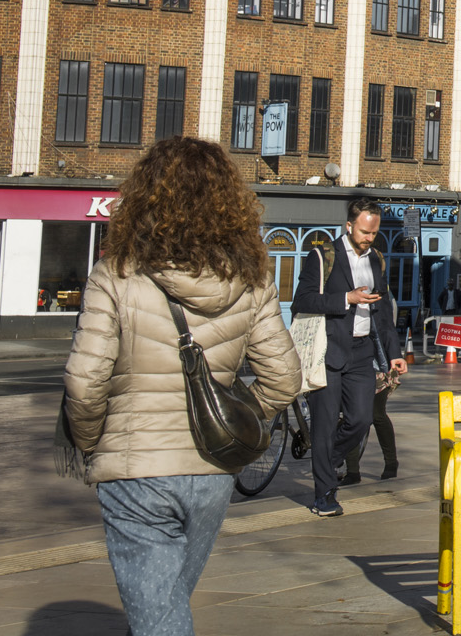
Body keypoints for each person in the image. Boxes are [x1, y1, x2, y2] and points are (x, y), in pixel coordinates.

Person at [63, 136, 303, 636]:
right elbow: (284, 380)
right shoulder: (253, 281)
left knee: (159, 619)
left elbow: (86, 384)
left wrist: (90, 446)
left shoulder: (116, 275)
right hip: (213, 467)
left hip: (135, 467)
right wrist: (233, 416)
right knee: (165, 608)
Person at [292, 196, 407, 516]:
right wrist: (346, 298)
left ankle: (325, 462)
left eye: (375, 233)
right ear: (349, 225)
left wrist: (395, 354)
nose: (370, 238)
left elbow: (382, 312)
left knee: (361, 419)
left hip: (360, 353)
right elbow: (302, 301)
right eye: (364, 232)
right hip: (327, 350)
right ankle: (324, 496)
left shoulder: (377, 261)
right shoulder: (322, 256)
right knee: (325, 425)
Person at [344, 360, 402, 483]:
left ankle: (391, 461)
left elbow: (389, 340)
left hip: (376, 366)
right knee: (351, 417)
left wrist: (395, 355)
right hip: (348, 366)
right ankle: (352, 470)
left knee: (377, 414)